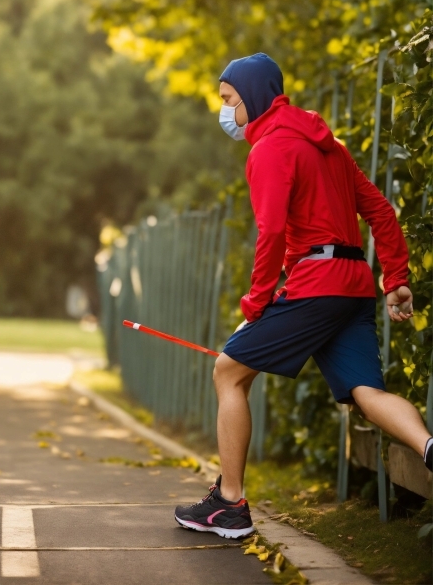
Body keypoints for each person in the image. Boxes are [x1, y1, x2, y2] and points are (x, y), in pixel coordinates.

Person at [174, 52, 433, 540]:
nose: (226, 111)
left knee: (228, 371)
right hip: (353, 285)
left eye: (229, 100)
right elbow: (381, 212)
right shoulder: (329, 145)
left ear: (251, 96)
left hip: (316, 285)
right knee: (365, 392)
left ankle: (229, 503)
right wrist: (394, 276)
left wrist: (256, 303)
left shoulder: (270, 149)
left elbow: (270, 232)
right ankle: (429, 446)